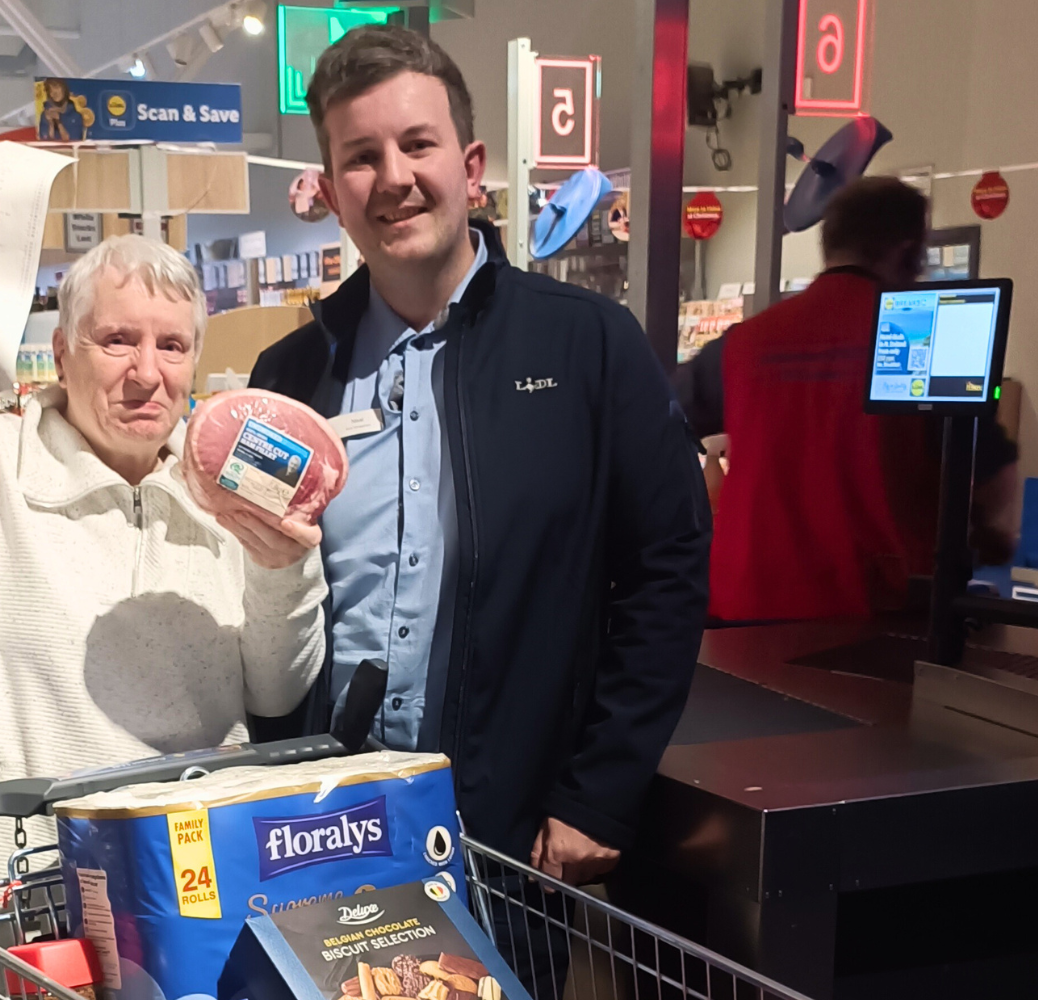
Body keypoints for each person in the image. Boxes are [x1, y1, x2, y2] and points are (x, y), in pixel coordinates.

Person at [0, 176, 328, 974]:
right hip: (8, 911)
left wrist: (284, 570)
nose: (146, 373)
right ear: (61, 352)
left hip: (188, 893)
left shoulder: (227, 495)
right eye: (117, 339)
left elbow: (275, 693)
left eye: (172, 345)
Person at [251, 22, 709, 903]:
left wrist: (601, 794)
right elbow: (264, 601)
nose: (393, 177)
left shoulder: (586, 346)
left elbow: (667, 570)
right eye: (360, 156)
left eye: (417, 144)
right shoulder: (291, 378)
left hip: (504, 838)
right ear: (334, 193)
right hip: (314, 827)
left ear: (470, 166)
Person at [673, 176, 1019, 621]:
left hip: (743, 603)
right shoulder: (926, 335)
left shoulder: (743, 343)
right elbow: (995, 475)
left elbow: (659, 423)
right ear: (907, 249)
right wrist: (984, 527)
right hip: (872, 611)